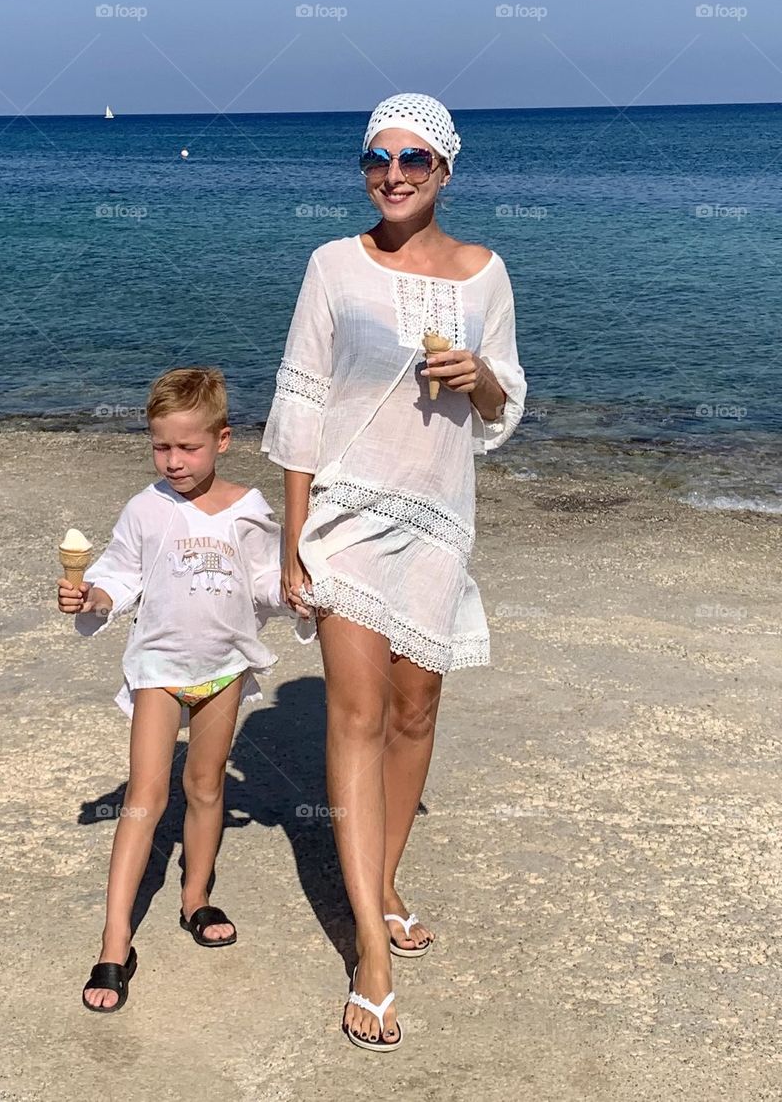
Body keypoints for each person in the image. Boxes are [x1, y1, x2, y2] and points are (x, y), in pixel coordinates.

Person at [261, 93, 527, 1051]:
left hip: (438, 519)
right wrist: (293, 537)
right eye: (378, 158)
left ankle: (378, 878)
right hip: (343, 519)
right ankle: (370, 948)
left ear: (446, 169)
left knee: (418, 712)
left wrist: (477, 378)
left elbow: (504, 396)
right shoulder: (333, 264)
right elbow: (299, 398)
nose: (395, 173)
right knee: (358, 715)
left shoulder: (485, 273)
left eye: (415, 157)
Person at [58, 366, 288, 1013]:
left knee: (206, 786)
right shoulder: (145, 508)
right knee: (145, 796)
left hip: (223, 670)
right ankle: (113, 942)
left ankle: (195, 897)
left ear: (224, 440)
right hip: (159, 668)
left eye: (188, 446)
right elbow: (119, 576)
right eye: (162, 445)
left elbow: (264, 582)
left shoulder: (249, 509)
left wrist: (297, 594)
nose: (174, 460)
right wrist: (92, 595)